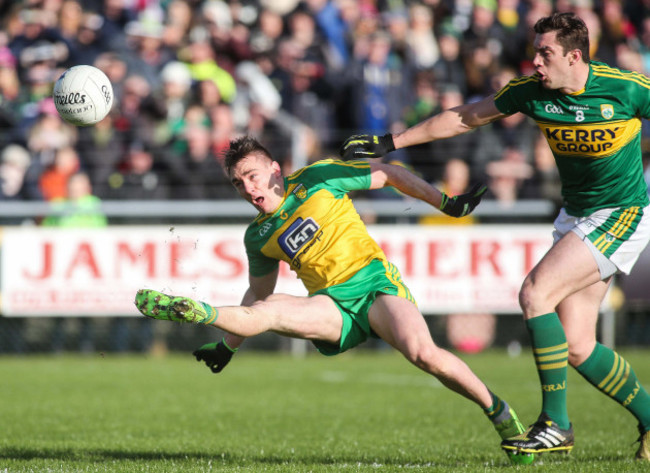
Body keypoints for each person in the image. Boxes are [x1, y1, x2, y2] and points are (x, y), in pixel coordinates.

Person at [339, 11, 650, 462]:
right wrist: (391, 142)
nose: (536, 62)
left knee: (535, 293)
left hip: (622, 213)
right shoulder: (528, 92)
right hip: (578, 215)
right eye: (535, 51)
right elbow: (465, 116)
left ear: (574, 56)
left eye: (545, 53)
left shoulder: (626, 87)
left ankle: (555, 425)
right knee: (579, 346)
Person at [134, 135, 528, 461]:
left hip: (375, 286)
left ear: (275, 169)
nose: (247, 188)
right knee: (268, 309)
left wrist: (446, 204)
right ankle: (200, 312)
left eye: (252, 176)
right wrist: (228, 347)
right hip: (331, 307)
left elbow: (387, 173)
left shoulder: (318, 177)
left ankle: (500, 413)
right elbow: (259, 293)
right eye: (238, 183)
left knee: (422, 353)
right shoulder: (258, 235)